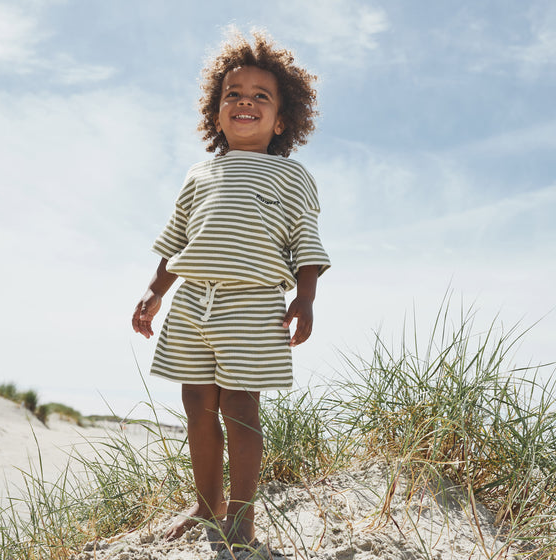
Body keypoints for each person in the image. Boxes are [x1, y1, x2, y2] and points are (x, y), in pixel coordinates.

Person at [132, 30, 330, 551]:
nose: (245, 101)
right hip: (193, 301)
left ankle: (242, 516)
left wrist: (305, 299)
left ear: (282, 120)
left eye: (260, 96)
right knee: (196, 402)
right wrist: (155, 292)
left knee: (240, 408)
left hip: (253, 301)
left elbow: (305, 241)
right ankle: (206, 503)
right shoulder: (200, 173)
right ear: (216, 112)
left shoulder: (291, 177)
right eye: (233, 94)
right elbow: (177, 239)